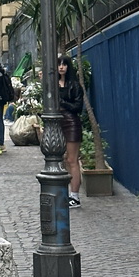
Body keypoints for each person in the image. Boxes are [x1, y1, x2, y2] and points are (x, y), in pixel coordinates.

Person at [58, 54, 84, 209]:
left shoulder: (74, 85)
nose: (61, 67)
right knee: (63, 160)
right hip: (57, 122)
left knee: (72, 160)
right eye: (59, 64)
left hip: (71, 122)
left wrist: (62, 102)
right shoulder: (53, 85)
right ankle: (68, 194)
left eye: (64, 64)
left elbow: (77, 107)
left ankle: (75, 196)